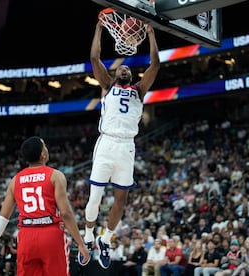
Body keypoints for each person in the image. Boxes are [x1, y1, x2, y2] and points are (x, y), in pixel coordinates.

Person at [82, 17, 160, 270]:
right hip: (106, 144)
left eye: (127, 69)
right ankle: (89, 234)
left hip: (127, 146)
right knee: (95, 197)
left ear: (131, 75)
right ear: (114, 75)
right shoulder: (107, 85)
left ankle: (105, 239)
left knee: (121, 200)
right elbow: (95, 59)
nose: (124, 69)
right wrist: (98, 28)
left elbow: (155, 64)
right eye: (120, 69)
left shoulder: (138, 90)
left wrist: (150, 33)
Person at [0, 136, 90, 275]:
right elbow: (66, 213)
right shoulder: (55, 175)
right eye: (44, 146)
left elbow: (3, 217)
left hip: (26, 236)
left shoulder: (15, 180)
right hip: (51, 234)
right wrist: (80, 243)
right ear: (43, 154)